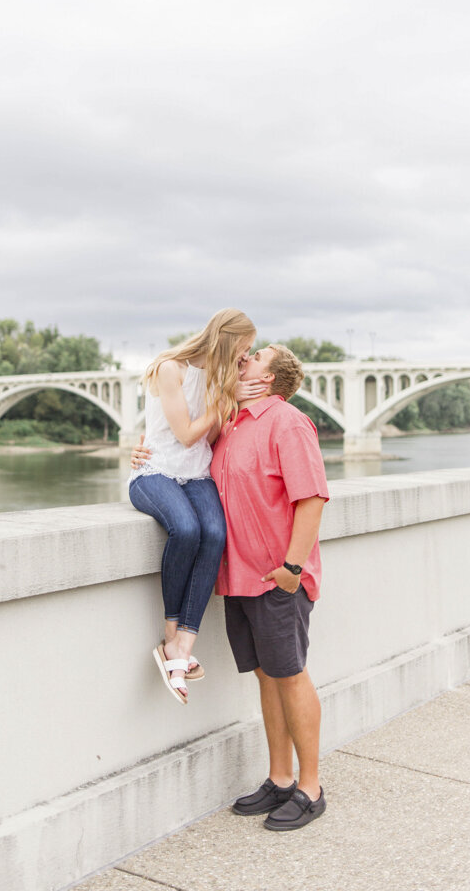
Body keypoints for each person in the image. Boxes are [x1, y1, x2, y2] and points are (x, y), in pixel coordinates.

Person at [133, 343, 329, 831]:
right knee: (266, 676)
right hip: (238, 578)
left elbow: (313, 498)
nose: (245, 357)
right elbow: (179, 447)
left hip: (277, 578)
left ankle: (310, 787)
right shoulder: (230, 425)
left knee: (291, 674)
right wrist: (144, 449)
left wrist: (291, 568)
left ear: (268, 379)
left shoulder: (287, 422)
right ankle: (279, 778)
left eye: (256, 356)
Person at [128, 308, 261, 706]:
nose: (245, 356)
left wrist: (228, 396)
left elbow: (212, 438)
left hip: (197, 474)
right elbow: (186, 434)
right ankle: (171, 639)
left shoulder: (222, 377)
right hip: (155, 473)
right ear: (227, 338)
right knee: (186, 530)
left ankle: (185, 645)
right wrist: (224, 400)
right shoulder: (171, 368)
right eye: (245, 348)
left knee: (215, 535)